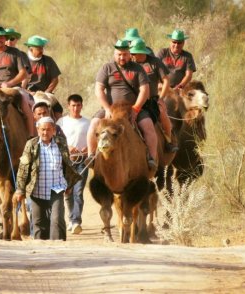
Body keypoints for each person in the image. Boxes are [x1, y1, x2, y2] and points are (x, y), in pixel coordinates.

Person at [86, 40, 157, 170]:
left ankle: (151, 158)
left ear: (129, 54)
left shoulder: (138, 69)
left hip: (132, 108)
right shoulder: (106, 68)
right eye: (119, 54)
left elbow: (144, 90)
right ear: (115, 54)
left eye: (125, 54)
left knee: (148, 127)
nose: (122, 57)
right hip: (110, 108)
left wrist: (136, 109)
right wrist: (107, 109)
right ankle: (91, 156)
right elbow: (99, 89)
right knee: (94, 124)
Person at [14, 117, 81, 240]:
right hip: (36, 190)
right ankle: (41, 249)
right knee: (38, 222)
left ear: (54, 130)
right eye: (43, 129)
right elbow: (23, 168)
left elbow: (67, 164)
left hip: (56, 188)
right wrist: (20, 189)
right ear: (38, 130)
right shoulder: (31, 145)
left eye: (48, 130)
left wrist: (69, 185)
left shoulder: (61, 143)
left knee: (56, 219)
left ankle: (57, 245)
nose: (45, 133)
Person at [130, 38, 178, 153]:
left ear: (141, 52)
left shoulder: (154, 62)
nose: (132, 55)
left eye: (134, 53)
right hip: (133, 100)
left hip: (151, 100)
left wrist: (161, 98)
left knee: (162, 113)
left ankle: (168, 140)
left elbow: (166, 81)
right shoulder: (130, 63)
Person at [56, 94, 90, 234]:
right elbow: (56, 139)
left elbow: (93, 139)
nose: (76, 108)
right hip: (66, 161)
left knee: (79, 191)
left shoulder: (88, 123)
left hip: (82, 161)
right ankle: (71, 218)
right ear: (68, 106)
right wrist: (68, 147)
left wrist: (88, 148)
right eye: (73, 105)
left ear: (81, 106)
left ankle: (76, 221)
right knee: (67, 191)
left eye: (78, 105)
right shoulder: (61, 122)